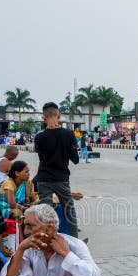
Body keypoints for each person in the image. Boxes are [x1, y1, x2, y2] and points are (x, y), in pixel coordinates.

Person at [34, 102, 80, 238]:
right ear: (59, 115)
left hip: (43, 178)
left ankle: (47, 239)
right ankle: (75, 240)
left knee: (46, 211)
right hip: (61, 178)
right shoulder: (68, 134)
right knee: (69, 209)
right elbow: (75, 159)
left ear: (44, 118)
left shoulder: (39, 137)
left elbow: (41, 157)